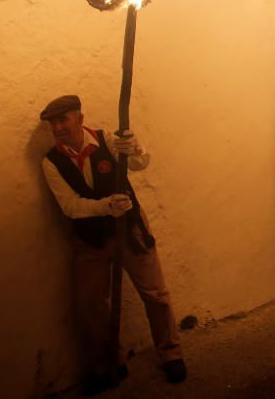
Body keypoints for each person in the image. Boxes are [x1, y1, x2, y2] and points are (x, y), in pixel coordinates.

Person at [39, 95, 185, 394]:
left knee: (155, 293)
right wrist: (106, 206)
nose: (57, 127)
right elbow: (69, 206)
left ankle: (171, 354)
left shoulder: (108, 139)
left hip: (130, 229)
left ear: (80, 119)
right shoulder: (51, 162)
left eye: (63, 120)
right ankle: (110, 362)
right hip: (89, 239)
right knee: (91, 304)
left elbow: (140, 163)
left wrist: (135, 149)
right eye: (53, 123)